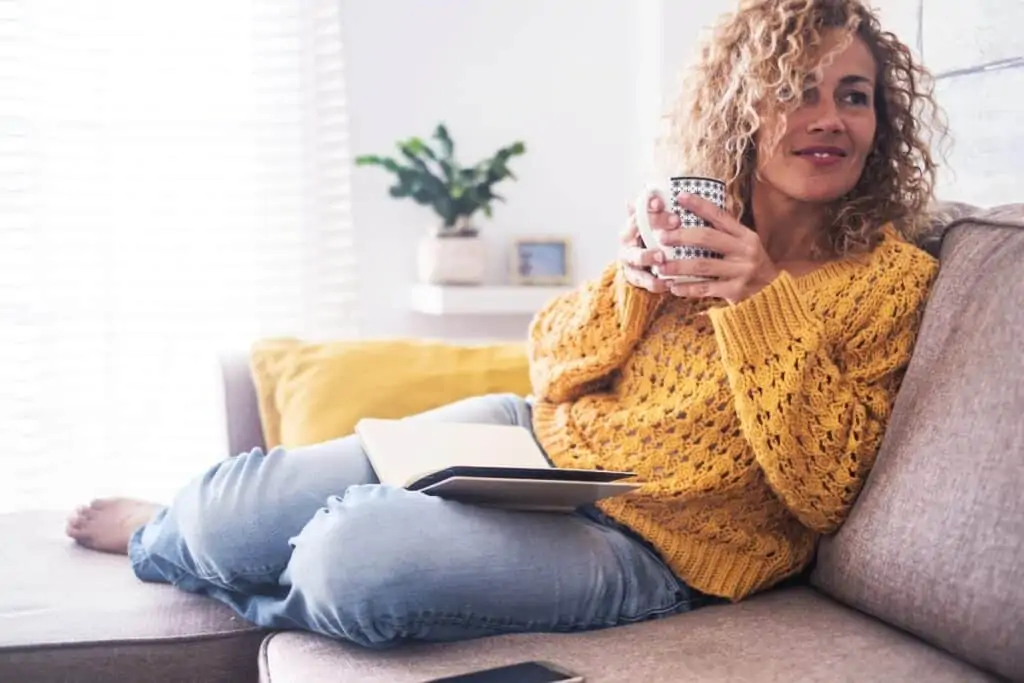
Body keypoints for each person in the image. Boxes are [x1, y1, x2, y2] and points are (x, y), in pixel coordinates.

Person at [67, 0, 946, 648]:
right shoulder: (691, 222)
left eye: (855, 95)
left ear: (882, 120)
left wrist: (758, 305)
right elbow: (553, 366)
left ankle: (273, 555)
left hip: (662, 549)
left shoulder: (893, 279)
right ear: (743, 111)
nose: (829, 118)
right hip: (532, 442)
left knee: (352, 560)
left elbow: (827, 489)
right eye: (796, 90)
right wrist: (632, 280)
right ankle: (171, 535)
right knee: (227, 509)